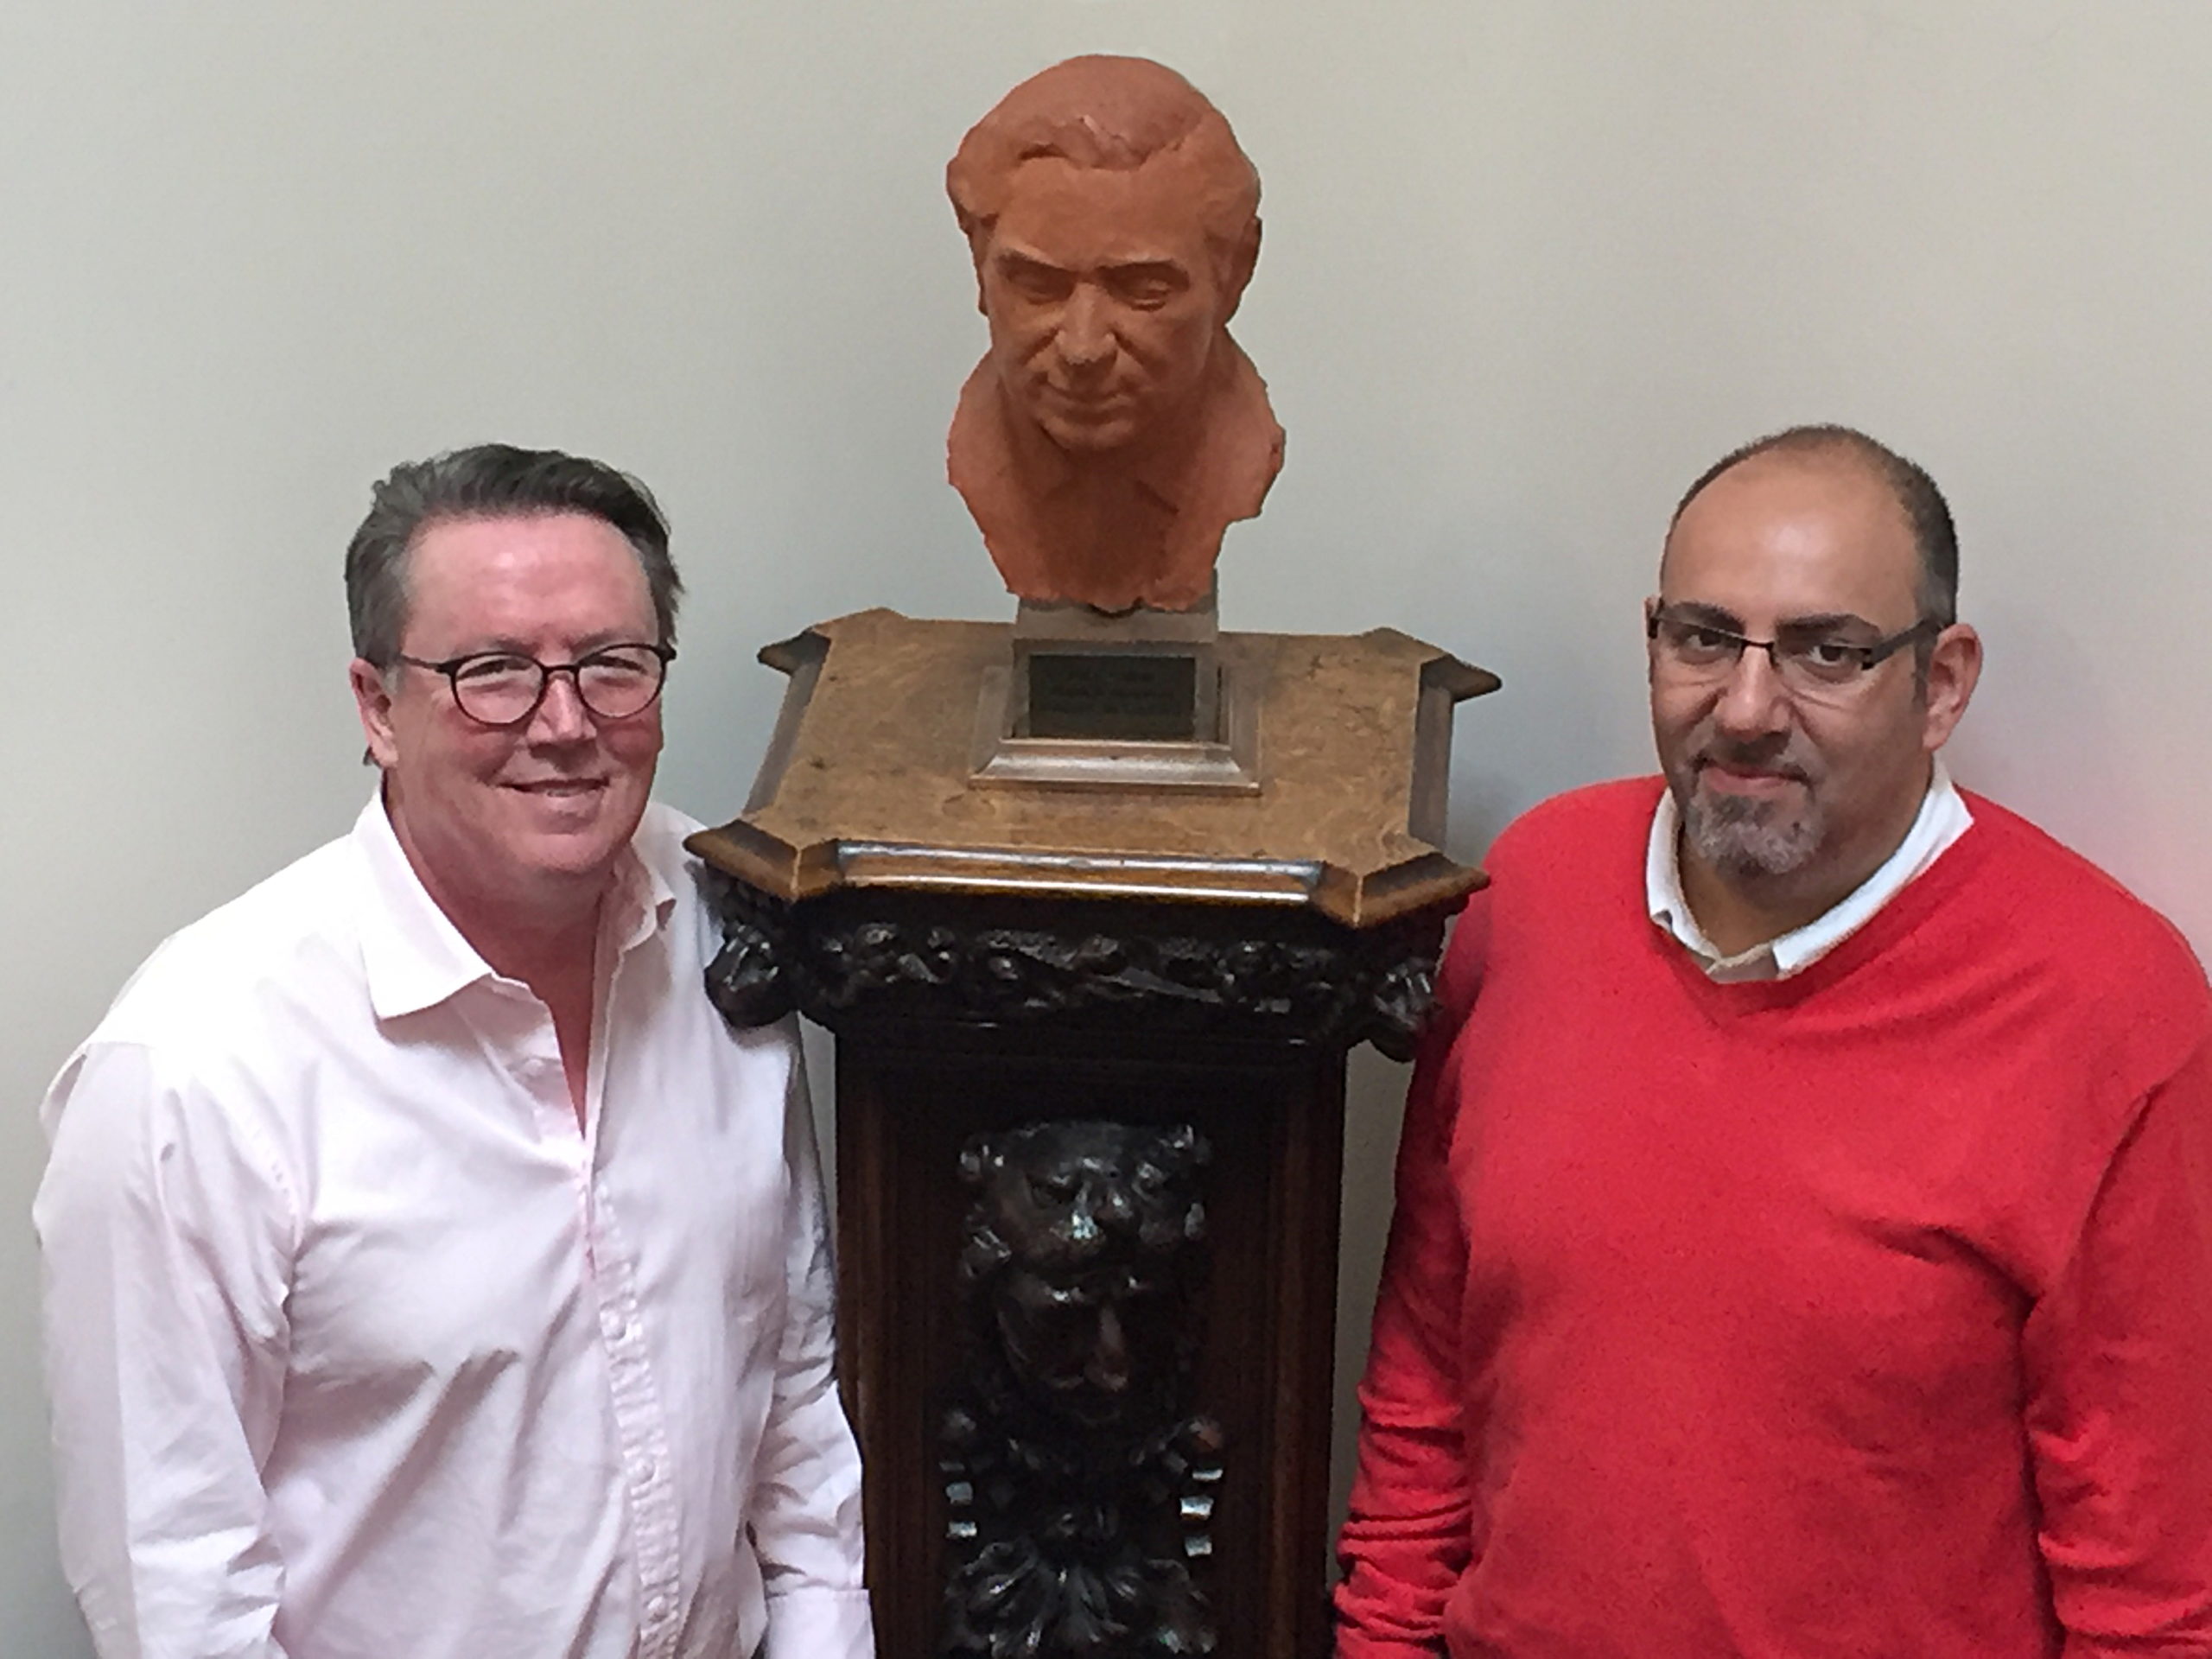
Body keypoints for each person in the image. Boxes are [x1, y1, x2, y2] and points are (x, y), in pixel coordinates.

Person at [1335, 425, 2212, 1656]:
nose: (1747, 709)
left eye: (1828, 653)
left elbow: (2154, 1595)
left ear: (1942, 683)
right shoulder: (1531, 888)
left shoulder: (2112, 1006)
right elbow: (1426, 1377)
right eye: (1703, 638)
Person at [35, 444, 874, 1659]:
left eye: (612, 666)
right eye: (493, 674)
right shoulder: (191, 1070)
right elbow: (173, 1589)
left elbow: (792, 1391)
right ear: (379, 709)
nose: (567, 723)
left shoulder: (727, 942)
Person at [945, 54, 1285, 613]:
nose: (1083, 349)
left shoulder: (1239, 448)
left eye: (1143, 291)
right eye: (1037, 286)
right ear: (980, 267)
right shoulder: (987, 443)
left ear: (1234, 276)